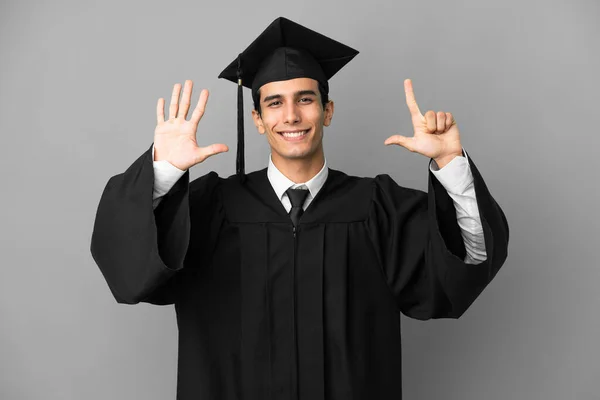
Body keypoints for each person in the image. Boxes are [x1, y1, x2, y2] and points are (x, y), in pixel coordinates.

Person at [90, 16, 509, 400]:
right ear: (257, 119)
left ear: (327, 111)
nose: (291, 115)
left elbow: (462, 270)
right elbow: (128, 268)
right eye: (274, 103)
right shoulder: (212, 207)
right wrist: (162, 169)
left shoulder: (377, 207)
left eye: (305, 99)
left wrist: (450, 164)